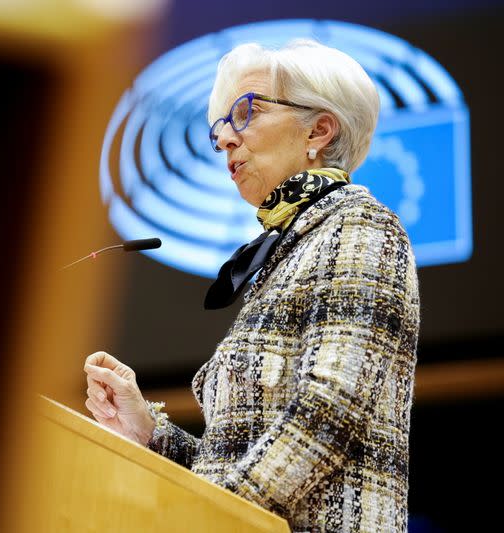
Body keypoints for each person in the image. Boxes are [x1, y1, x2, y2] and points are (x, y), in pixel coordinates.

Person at [83, 39, 420, 533]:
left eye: (247, 112)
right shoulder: (291, 248)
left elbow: (328, 415)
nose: (224, 139)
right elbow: (241, 458)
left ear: (319, 129)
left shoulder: (360, 226)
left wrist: (207, 516)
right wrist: (150, 432)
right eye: (220, 126)